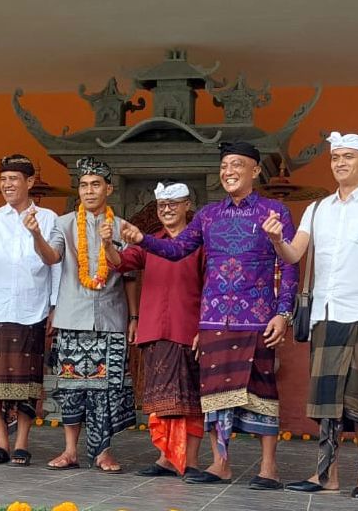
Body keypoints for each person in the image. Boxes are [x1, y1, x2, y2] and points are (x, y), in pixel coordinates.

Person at [119, 141, 298, 490]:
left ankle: (269, 468)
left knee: (263, 393)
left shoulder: (274, 211)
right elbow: (176, 249)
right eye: (224, 166)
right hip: (214, 317)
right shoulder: (208, 215)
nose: (228, 171)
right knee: (215, 398)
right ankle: (221, 465)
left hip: (258, 317)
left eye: (237, 165)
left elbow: (289, 265)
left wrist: (284, 313)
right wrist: (142, 239)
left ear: (255, 170)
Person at [262, 132, 358, 500]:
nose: (340, 162)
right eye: (336, 157)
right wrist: (277, 239)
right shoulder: (317, 209)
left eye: (349, 156)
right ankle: (327, 475)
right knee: (326, 400)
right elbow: (294, 255)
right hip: (325, 314)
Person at [32, 157, 137, 472]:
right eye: (84, 185)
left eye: (95, 185)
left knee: (106, 391)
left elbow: (130, 276)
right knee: (72, 389)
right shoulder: (63, 224)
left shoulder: (122, 227)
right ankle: (70, 451)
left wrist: (134, 318)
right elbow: (52, 256)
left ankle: (104, 452)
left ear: (109, 188)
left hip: (112, 317)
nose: (89, 191)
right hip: (72, 317)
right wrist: (36, 235)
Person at [106, 182, 205, 478]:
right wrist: (107, 244)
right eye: (162, 205)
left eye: (174, 204)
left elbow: (212, 286)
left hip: (188, 329)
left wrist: (204, 328)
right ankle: (164, 457)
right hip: (154, 329)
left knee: (190, 402)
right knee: (159, 400)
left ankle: (191, 460)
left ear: (188, 205)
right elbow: (121, 264)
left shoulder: (199, 242)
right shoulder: (152, 242)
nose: (167, 210)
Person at [0, 154, 60, 467]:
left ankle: (22, 442)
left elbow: (55, 266)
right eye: (4, 179)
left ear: (30, 182)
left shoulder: (48, 219)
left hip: (32, 308)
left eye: (14, 179)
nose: (7, 184)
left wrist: (54, 307)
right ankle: (0, 443)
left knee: (28, 381)